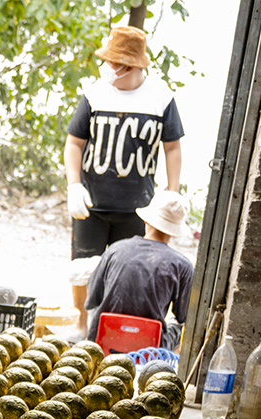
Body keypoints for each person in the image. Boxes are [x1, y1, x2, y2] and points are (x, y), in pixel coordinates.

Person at [64, 25, 185, 330]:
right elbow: (74, 142)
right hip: (91, 202)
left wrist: (171, 193)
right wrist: (74, 185)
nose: (106, 67)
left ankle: (122, 327)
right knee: (81, 266)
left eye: (112, 62)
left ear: (127, 66)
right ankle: (81, 324)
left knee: (132, 269)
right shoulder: (94, 93)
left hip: (137, 206)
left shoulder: (161, 98)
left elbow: (172, 148)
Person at [84, 190, 194, 349]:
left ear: (146, 221)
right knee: (178, 327)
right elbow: (184, 315)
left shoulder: (116, 249)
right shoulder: (182, 266)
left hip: (103, 340)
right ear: (175, 231)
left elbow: (93, 298)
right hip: (149, 349)